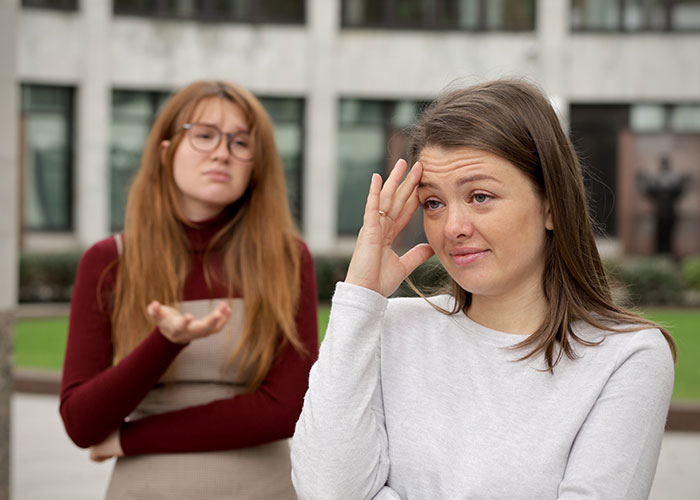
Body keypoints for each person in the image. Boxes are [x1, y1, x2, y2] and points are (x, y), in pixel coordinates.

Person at [291, 79, 676, 500]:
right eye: (433, 203)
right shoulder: (389, 328)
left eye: (479, 196)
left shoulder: (627, 356)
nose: (453, 228)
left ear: (550, 204)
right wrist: (360, 298)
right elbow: (327, 490)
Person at [60, 80, 318, 500]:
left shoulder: (286, 258)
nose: (222, 152)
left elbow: (287, 408)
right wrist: (164, 342)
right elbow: (82, 422)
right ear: (166, 152)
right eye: (204, 135)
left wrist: (130, 439)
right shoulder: (109, 261)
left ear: (256, 167)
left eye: (240, 142)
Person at [637, 156, 690, 255]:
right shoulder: (658, 179)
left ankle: (666, 254)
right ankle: (660, 254)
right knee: (659, 236)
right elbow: (649, 192)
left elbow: (679, 191)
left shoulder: (671, 179)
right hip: (660, 213)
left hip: (668, 213)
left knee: (668, 237)